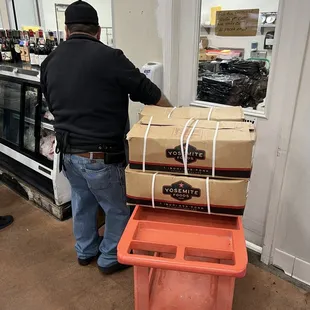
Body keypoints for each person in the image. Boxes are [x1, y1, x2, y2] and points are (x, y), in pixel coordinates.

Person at [40, 0, 172, 275]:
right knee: (118, 209)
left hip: (67, 153)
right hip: (101, 155)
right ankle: (110, 257)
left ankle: (86, 250)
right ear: (98, 31)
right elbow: (149, 93)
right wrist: (174, 116)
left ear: (66, 30)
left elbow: (51, 104)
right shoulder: (110, 57)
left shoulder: (50, 61)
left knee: (82, 201)